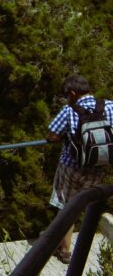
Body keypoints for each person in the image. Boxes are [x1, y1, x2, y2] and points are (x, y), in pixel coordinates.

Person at [46, 74, 113, 263]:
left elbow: (52, 135)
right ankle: (82, 244)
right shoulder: (108, 106)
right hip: (98, 167)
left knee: (68, 208)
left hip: (72, 168)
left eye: (67, 95)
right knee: (88, 207)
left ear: (73, 93)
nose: (67, 98)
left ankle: (65, 251)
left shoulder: (69, 111)